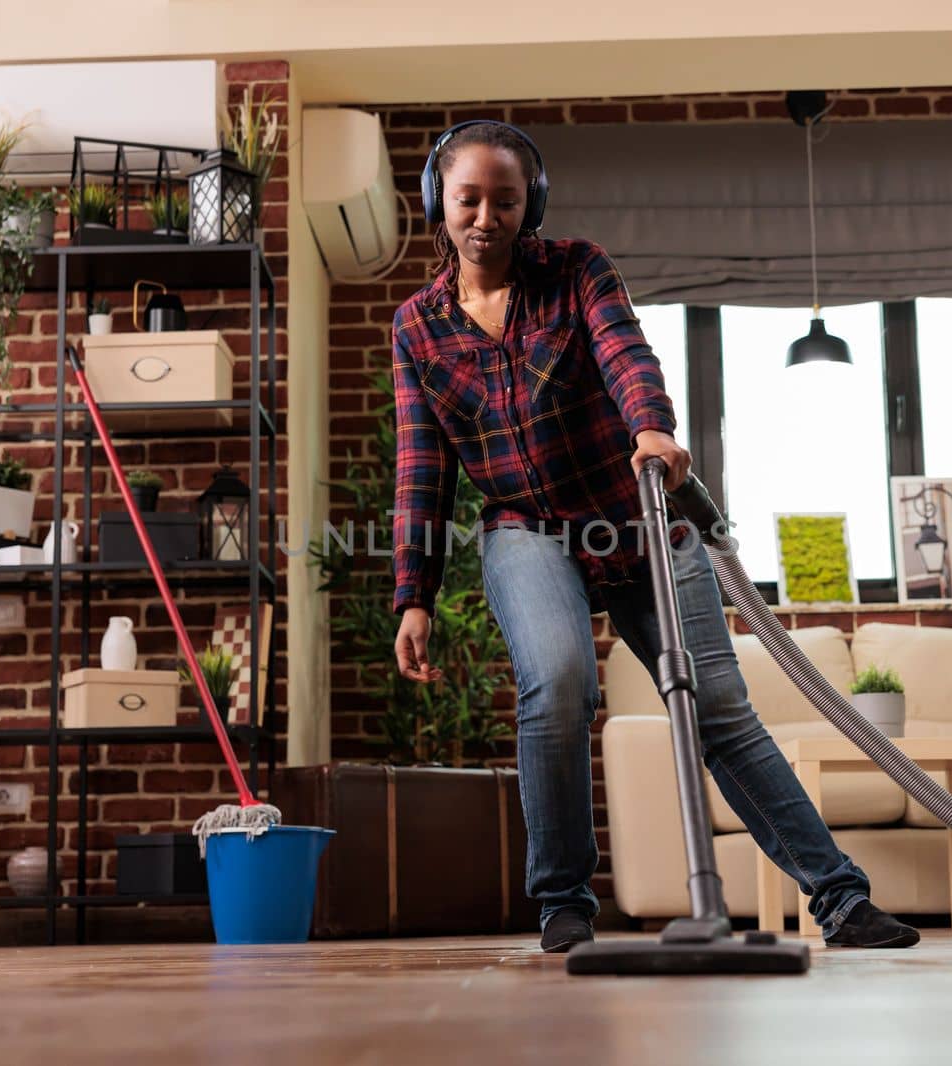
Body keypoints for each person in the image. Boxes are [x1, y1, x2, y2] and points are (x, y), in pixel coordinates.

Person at [389, 120, 919, 952]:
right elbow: (422, 463)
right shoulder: (417, 327)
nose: (486, 215)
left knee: (716, 705)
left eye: (506, 198)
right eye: (468, 198)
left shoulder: (576, 269)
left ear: (532, 206)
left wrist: (652, 430)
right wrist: (412, 596)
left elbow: (625, 352)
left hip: (635, 514)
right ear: (437, 204)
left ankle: (842, 901)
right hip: (525, 529)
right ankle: (563, 900)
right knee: (559, 682)